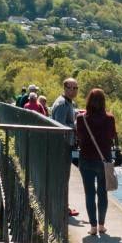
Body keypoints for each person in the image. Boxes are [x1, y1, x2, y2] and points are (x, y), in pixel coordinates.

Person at [75, 88, 118, 236]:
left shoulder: (81, 119)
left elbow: (79, 137)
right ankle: (101, 225)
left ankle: (92, 227)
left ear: (88, 102)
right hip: (103, 160)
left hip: (86, 159)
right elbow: (112, 136)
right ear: (103, 102)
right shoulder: (110, 118)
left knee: (89, 193)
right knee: (102, 193)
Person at [50, 77, 80, 218]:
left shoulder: (69, 103)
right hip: (61, 146)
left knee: (64, 177)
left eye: (76, 88)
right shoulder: (62, 104)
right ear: (65, 88)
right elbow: (58, 126)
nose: (74, 91)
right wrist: (74, 126)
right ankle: (62, 207)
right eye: (71, 88)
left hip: (65, 145)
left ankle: (62, 205)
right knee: (63, 177)